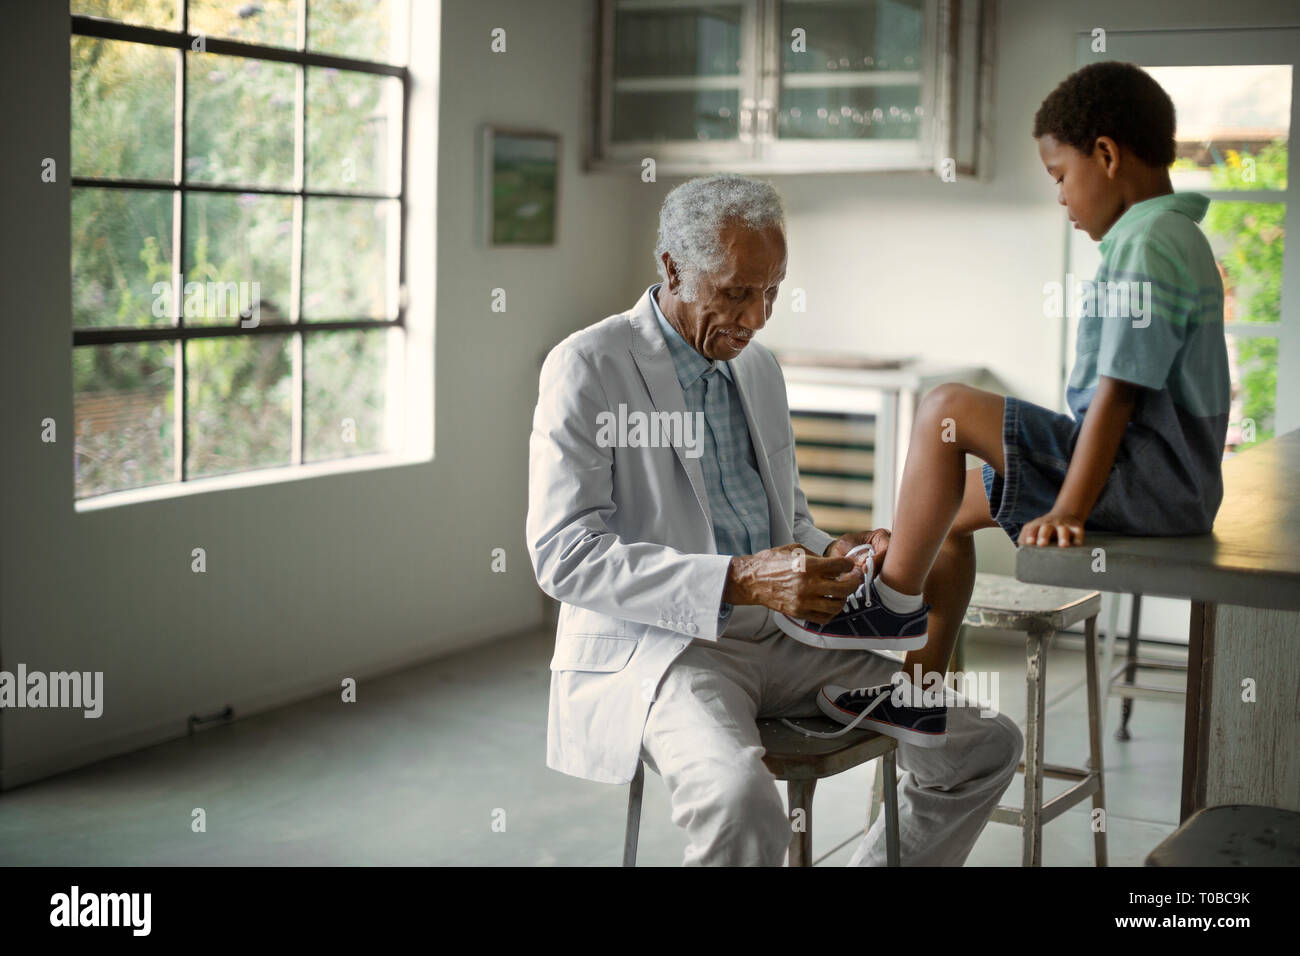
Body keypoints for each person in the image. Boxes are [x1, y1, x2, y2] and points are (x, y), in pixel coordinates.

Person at [527, 173, 1022, 865]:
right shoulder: (588, 365)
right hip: (667, 650)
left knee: (986, 743)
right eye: (736, 292)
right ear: (672, 268)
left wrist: (839, 550)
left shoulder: (757, 369)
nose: (757, 317)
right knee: (739, 803)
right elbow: (564, 554)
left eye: (771, 292)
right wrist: (738, 578)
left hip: (783, 641)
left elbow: (788, 522)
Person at [813, 61, 1230, 736]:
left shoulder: (1146, 243)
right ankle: (916, 692)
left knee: (945, 408)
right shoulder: (1173, 233)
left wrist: (1070, 506)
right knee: (945, 514)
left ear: (1106, 155)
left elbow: (1118, 396)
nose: (1061, 198)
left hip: (1144, 479)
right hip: (1169, 482)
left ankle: (889, 602)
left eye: (1061, 177)